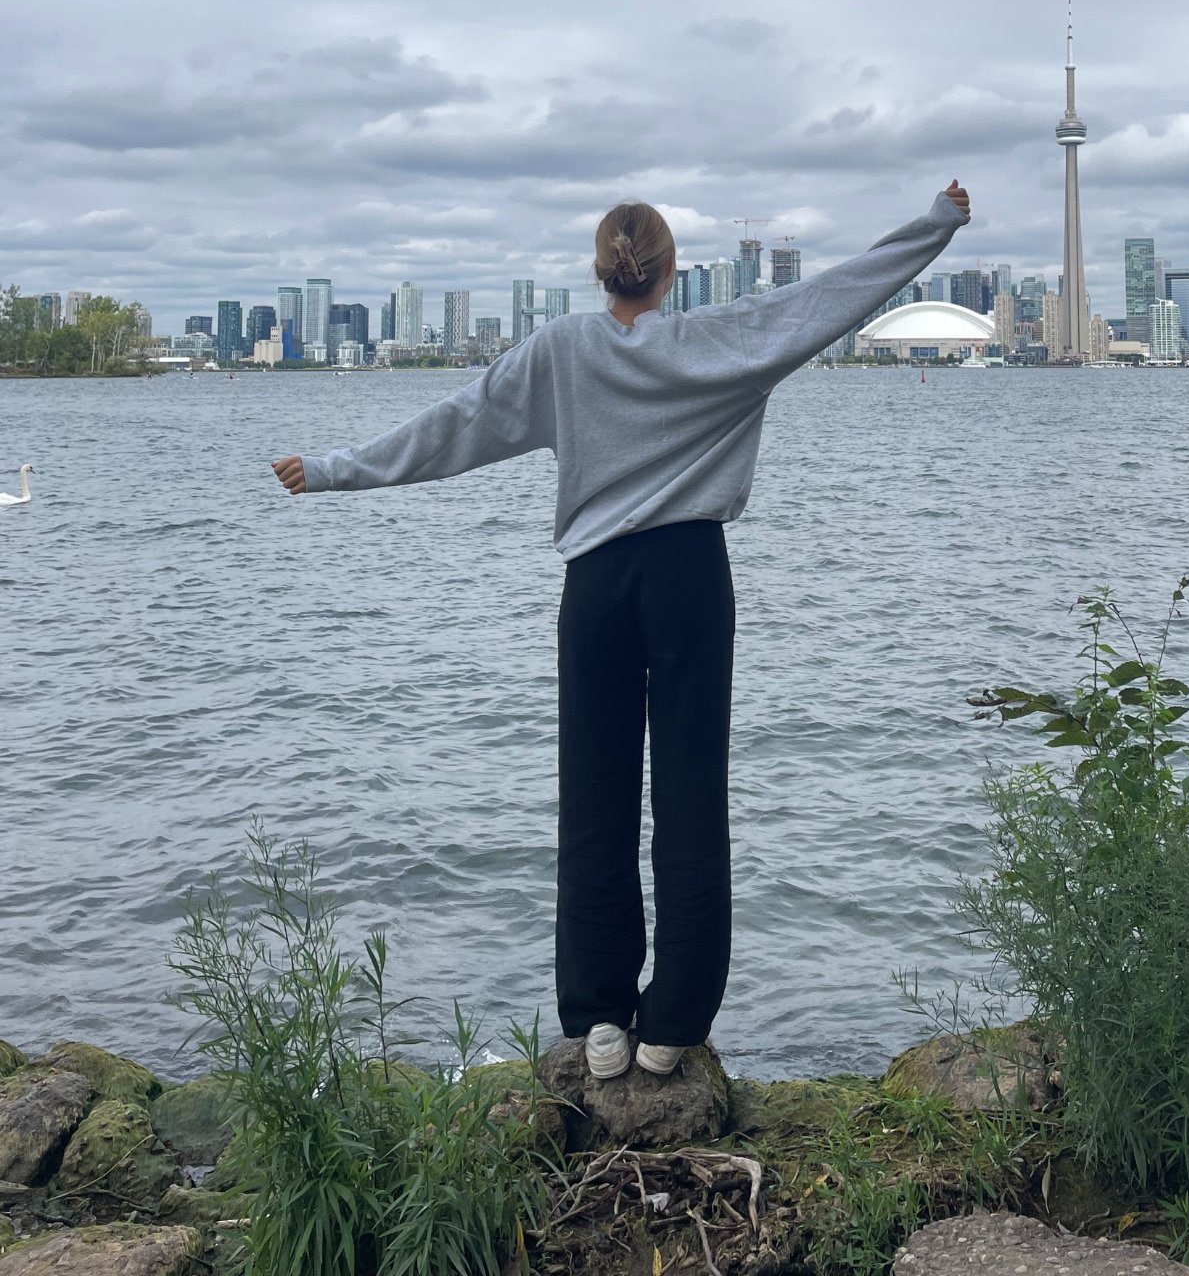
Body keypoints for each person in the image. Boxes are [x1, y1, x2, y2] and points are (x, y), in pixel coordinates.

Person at [271, 179, 970, 1080]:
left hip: (596, 584)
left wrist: (331, 470)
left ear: (601, 272)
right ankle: (674, 1022)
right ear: (671, 272)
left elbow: (455, 429)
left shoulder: (561, 349)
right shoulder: (725, 337)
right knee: (690, 796)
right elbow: (840, 293)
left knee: (594, 795)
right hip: (689, 578)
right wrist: (938, 223)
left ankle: (600, 1022)